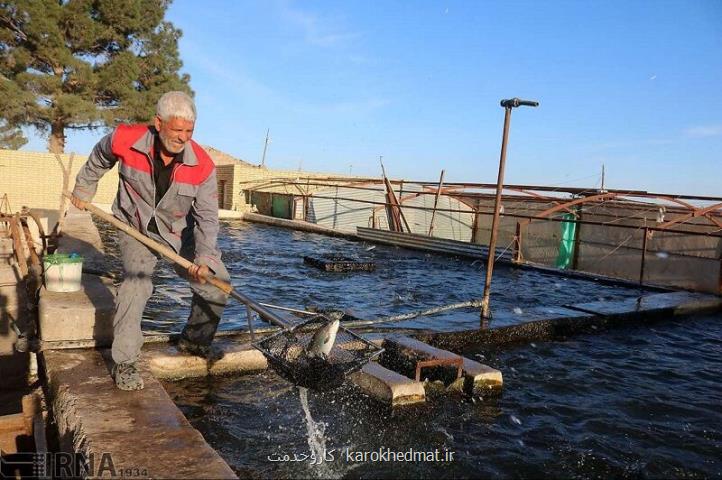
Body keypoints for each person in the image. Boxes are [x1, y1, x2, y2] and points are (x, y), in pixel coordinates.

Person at [70, 91, 230, 391]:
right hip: (135, 228)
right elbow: (99, 157)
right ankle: (126, 362)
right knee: (137, 284)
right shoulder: (124, 139)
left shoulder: (203, 166)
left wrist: (205, 258)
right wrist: (84, 187)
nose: (183, 138)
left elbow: (208, 218)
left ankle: (194, 342)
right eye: (177, 130)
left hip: (178, 231)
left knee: (216, 281)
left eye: (189, 132)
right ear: (159, 123)